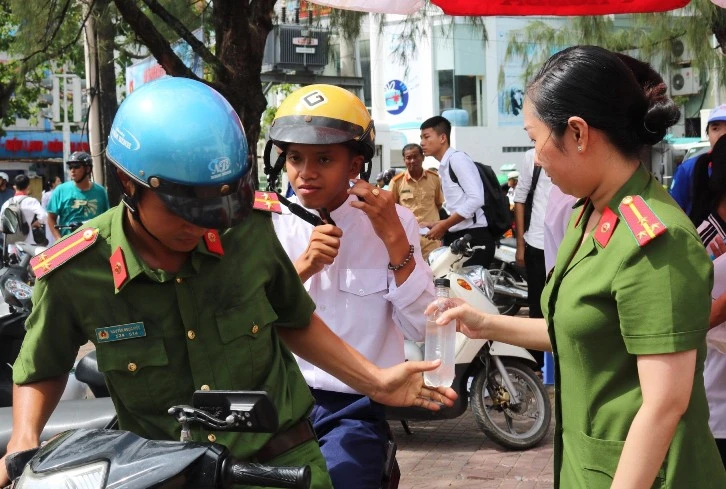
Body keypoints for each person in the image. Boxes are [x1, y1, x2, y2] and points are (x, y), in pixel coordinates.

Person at [0, 78, 456, 488]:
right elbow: (42, 365)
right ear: (128, 183)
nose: (203, 226)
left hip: (280, 464)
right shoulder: (77, 268)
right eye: (184, 209)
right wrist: (23, 440)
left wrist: (375, 382)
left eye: (218, 207)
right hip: (160, 471)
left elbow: (292, 317)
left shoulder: (247, 229)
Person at [430, 46, 726, 488]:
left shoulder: (656, 240)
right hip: (588, 466)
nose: (537, 159)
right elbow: (575, 327)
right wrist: (483, 323)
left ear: (578, 133)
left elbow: (665, 404)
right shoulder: (589, 214)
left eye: (535, 140)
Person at [268, 84, 435, 489]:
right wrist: (302, 267)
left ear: (355, 165)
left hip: (354, 406)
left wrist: (394, 237)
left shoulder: (394, 221)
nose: (305, 172)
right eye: (294, 158)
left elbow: (424, 328)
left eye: (324, 158)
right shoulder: (266, 223)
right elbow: (245, 318)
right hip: (277, 403)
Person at [419, 115, 495, 267]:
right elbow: (459, 206)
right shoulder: (445, 165)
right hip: (459, 237)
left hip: (473, 238)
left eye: (427, 137)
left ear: (442, 138)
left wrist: (444, 225)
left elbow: (476, 199)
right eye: (421, 138)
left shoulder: (457, 160)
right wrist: (437, 223)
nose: (422, 143)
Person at [513, 149, 552, 369]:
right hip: (537, 242)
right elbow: (520, 199)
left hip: (571, 242)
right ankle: (537, 363)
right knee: (537, 306)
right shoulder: (532, 157)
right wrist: (520, 245)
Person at [670, 104, 726, 221]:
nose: (722, 134)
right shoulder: (688, 169)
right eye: (715, 128)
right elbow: (674, 215)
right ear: (708, 135)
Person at [390, 143, 445, 260]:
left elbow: (439, 204)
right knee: (411, 274)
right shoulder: (397, 182)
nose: (412, 161)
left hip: (431, 239)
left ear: (423, 157)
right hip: (408, 239)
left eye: (416, 156)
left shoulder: (434, 179)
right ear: (404, 160)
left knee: (433, 273)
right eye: (408, 158)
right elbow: (391, 210)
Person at [47, 151, 109, 240]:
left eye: (76, 166)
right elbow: (51, 218)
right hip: (69, 244)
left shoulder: (100, 191)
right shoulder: (60, 190)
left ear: (87, 169)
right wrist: (59, 240)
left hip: (94, 244)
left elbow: (106, 219)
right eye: (70, 167)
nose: (72, 170)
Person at [0, 174, 47, 246]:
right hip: (27, 243)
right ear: (28, 186)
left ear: (14, 187)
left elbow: (1, 225)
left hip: (11, 245)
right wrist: (37, 222)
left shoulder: (7, 203)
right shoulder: (31, 201)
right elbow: (44, 216)